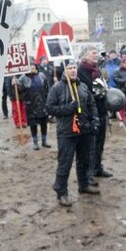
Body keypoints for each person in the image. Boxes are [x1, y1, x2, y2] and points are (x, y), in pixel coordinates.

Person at [46, 58, 100, 207]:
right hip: (66, 132)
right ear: (64, 71)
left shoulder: (83, 86)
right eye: (70, 68)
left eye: (74, 67)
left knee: (84, 160)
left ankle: (83, 185)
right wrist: (68, 108)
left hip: (84, 130)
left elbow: (92, 104)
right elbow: (49, 108)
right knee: (65, 163)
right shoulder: (56, 88)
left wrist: (95, 121)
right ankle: (61, 192)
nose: (73, 70)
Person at [78, 46, 113, 179]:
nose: (96, 55)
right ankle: (90, 171)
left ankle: (98, 167)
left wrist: (105, 89)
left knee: (100, 141)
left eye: (96, 53)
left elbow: (101, 85)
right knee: (91, 144)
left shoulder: (96, 69)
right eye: (93, 53)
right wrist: (97, 91)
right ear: (85, 55)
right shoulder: (81, 70)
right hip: (91, 111)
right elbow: (85, 89)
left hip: (102, 109)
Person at [17, 60, 51, 150]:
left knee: (44, 124)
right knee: (33, 125)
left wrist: (47, 100)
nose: (32, 67)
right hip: (31, 106)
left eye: (33, 66)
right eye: (30, 66)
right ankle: (35, 143)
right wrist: (16, 84)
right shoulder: (23, 78)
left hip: (42, 104)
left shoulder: (41, 75)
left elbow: (46, 88)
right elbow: (19, 92)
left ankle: (44, 141)